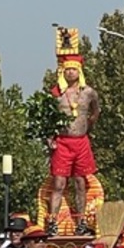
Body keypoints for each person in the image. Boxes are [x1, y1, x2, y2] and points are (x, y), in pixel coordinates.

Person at [48, 54, 100, 236]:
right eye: (67, 69)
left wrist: (87, 128)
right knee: (59, 183)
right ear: (63, 71)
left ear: (79, 71)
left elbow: (95, 112)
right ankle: (52, 222)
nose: (71, 73)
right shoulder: (56, 93)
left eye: (74, 69)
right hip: (62, 142)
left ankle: (81, 222)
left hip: (81, 142)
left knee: (80, 183)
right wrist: (50, 137)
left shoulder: (89, 92)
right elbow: (48, 118)